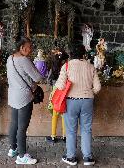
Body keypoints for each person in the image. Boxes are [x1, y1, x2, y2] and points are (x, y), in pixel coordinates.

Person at [55, 36, 101, 166]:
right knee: (86, 129)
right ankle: (88, 158)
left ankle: (71, 157)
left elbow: (60, 86)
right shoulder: (91, 66)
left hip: (71, 101)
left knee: (71, 130)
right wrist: (90, 93)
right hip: (87, 101)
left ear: (71, 54)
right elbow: (97, 87)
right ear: (83, 54)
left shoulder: (67, 66)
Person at [6, 36, 43, 165]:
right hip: (24, 97)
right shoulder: (24, 60)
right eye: (29, 47)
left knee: (14, 123)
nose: (31, 49)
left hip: (13, 95)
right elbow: (38, 77)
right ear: (22, 48)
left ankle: (13, 149)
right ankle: (22, 156)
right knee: (22, 127)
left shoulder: (9, 59)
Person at [46, 48, 69, 143]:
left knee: (54, 116)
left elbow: (49, 81)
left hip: (55, 95)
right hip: (65, 94)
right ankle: (65, 136)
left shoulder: (53, 69)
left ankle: (53, 136)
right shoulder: (67, 67)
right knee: (64, 115)